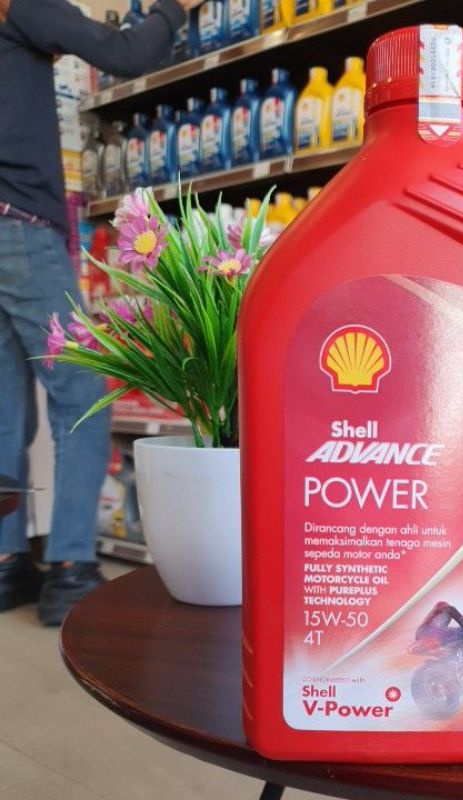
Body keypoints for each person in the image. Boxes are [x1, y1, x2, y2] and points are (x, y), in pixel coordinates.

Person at [0, 0, 202, 625]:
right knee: (83, 394)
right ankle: (69, 567)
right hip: (20, 228)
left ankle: (7, 564)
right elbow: (125, 54)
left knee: (5, 408)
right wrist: (174, 10)